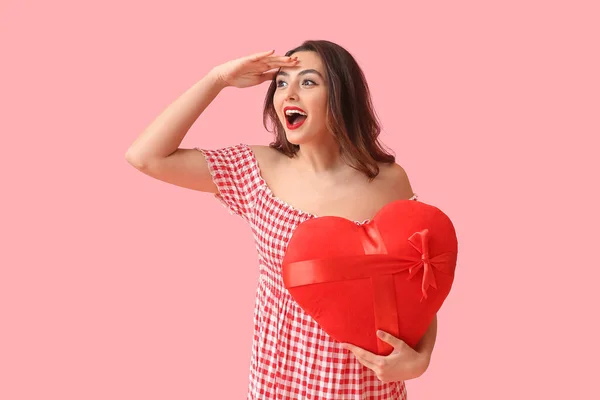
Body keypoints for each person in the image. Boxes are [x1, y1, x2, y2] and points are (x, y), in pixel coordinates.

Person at [126, 40, 438, 400]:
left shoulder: (390, 181)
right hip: (279, 385)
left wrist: (421, 359)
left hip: (366, 388)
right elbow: (145, 156)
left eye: (308, 82)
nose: (288, 94)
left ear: (340, 95)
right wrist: (218, 79)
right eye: (281, 82)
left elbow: (420, 284)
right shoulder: (256, 170)